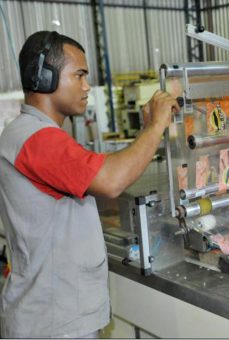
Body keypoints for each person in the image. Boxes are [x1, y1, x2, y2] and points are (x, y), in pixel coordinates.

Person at [0, 31, 179, 338]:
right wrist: (156, 125)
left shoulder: (33, 134)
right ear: (44, 77)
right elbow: (110, 181)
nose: (87, 87)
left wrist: (145, 131)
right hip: (55, 322)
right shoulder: (35, 139)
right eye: (79, 75)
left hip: (53, 314)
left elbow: (95, 169)